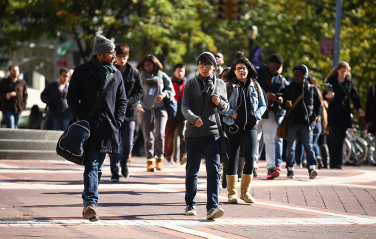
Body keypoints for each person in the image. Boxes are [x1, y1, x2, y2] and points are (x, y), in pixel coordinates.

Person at [67, 34, 127, 222]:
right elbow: (72, 99)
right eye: (111, 53)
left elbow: (122, 100)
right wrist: (84, 118)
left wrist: (118, 121)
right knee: (92, 165)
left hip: (109, 128)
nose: (114, 56)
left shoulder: (116, 73)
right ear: (101, 54)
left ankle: (87, 204)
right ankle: (91, 203)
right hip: (89, 128)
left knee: (98, 168)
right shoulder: (82, 71)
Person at [182, 52, 229, 220]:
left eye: (207, 66)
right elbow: (184, 107)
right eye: (201, 66)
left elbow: (226, 107)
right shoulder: (190, 84)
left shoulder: (221, 84)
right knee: (192, 171)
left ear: (214, 67)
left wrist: (220, 103)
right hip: (193, 133)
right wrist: (193, 119)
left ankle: (212, 208)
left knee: (214, 171)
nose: (204, 69)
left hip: (213, 133)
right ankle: (190, 203)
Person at [221, 53, 266, 204]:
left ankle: (245, 193)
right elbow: (221, 105)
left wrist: (257, 115)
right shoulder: (228, 86)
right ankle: (232, 194)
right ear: (234, 70)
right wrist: (232, 113)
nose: (241, 71)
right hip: (233, 126)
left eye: (244, 68)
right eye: (238, 68)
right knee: (232, 158)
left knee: (250, 159)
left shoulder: (255, 85)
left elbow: (263, 105)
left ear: (248, 70)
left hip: (251, 126)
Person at [279, 64, 322, 179]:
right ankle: (290, 169)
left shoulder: (312, 89)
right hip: (292, 123)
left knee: (309, 146)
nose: (295, 77)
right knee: (290, 148)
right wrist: (284, 103)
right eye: (294, 75)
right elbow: (281, 97)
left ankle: (312, 168)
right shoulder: (289, 88)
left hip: (307, 124)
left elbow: (319, 105)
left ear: (305, 75)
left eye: (298, 75)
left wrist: (318, 115)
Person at [108, 43, 143, 182]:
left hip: (129, 112)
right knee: (114, 142)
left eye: (124, 57)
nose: (122, 59)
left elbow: (140, 91)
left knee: (128, 142)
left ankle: (123, 161)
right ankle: (114, 170)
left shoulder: (134, 72)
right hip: (113, 113)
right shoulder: (110, 70)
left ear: (128, 57)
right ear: (115, 56)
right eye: (119, 56)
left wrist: (127, 102)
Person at [137, 54, 175, 172]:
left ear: (155, 64)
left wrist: (163, 94)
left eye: (150, 65)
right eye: (145, 65)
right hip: (145, 109)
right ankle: (150, 161)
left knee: (159, 134)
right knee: (148, 137)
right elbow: (135, 93)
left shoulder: (163, 76)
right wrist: (138, 104)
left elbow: (171, 91)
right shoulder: (140, 77)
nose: (148, 68)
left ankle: (159, 159)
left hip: (160, 109)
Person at [323, 61, 365, 169]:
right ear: (337, 70)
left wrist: (359, 108)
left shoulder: (349, 82)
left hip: (345, 112)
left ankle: (338, 162)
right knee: (336, 136)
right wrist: (328, 96)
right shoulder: (331, 81)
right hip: (334, 112)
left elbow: (354, 96)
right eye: (342, 71)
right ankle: (334, 162)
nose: (344, 73)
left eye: (345, 71)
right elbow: (324, 94)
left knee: (341, 137)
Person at [255, 54, 286, 179]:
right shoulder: (257, 72)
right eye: (273, 68)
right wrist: (264, 95)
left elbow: (284, 94)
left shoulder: (280, 79)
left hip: (272, 112)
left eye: (277, 68)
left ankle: (271, 168)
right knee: (254, 139)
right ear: (268, 64)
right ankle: (252, 166)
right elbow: (252, 88)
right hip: (256, 111)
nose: (275, 71)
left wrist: (279, 99)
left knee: (270, 140)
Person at [294, 76, 324, 169]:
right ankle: (317, 156)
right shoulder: (318, 92)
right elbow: (320, 106)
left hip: (308, 121)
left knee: (304, 142)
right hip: (317, 122)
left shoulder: (308, 91)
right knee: (312, 142)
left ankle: (302, 161)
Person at [165, 63, 187, 164]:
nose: (180, 73)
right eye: (178, 71)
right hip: (171, 115)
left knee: (183, 136)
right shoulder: (169, 83)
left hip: (183, 116)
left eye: (182, 71)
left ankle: (184, 156)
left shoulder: (187, 84)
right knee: (170, 137)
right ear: (174, 72)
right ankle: (169, 157)